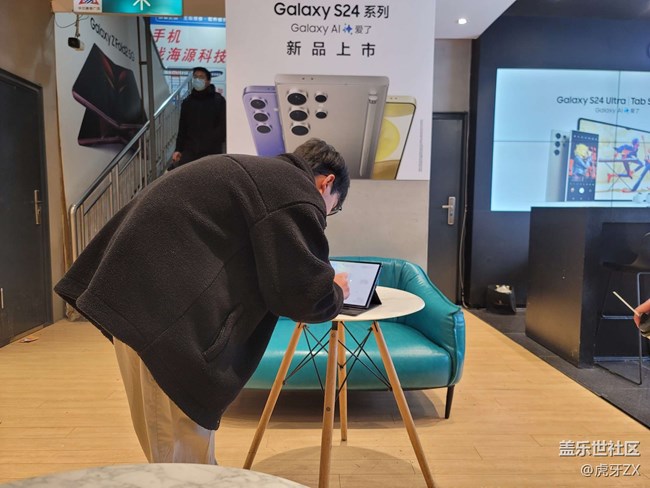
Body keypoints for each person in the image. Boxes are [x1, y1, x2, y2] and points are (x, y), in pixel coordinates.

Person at [54, 138, 351, 464]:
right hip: (164, 323)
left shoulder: (265, 176)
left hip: (143, 306)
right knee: (181, 464)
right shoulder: (294, 190)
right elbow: (303, 296)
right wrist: (335, 290)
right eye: (334, 207)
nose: (326, 214)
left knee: (182, 454)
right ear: (327, 183)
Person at [170, 67, 226, 170]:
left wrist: (214, 140)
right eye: (195, 77)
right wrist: (178, 149)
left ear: (208, 81)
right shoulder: (187, 102)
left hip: (212, 151)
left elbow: (223, 126)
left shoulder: (219, 101)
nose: (197, 80)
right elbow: (182, 128)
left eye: (201, 77)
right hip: (190, 150)